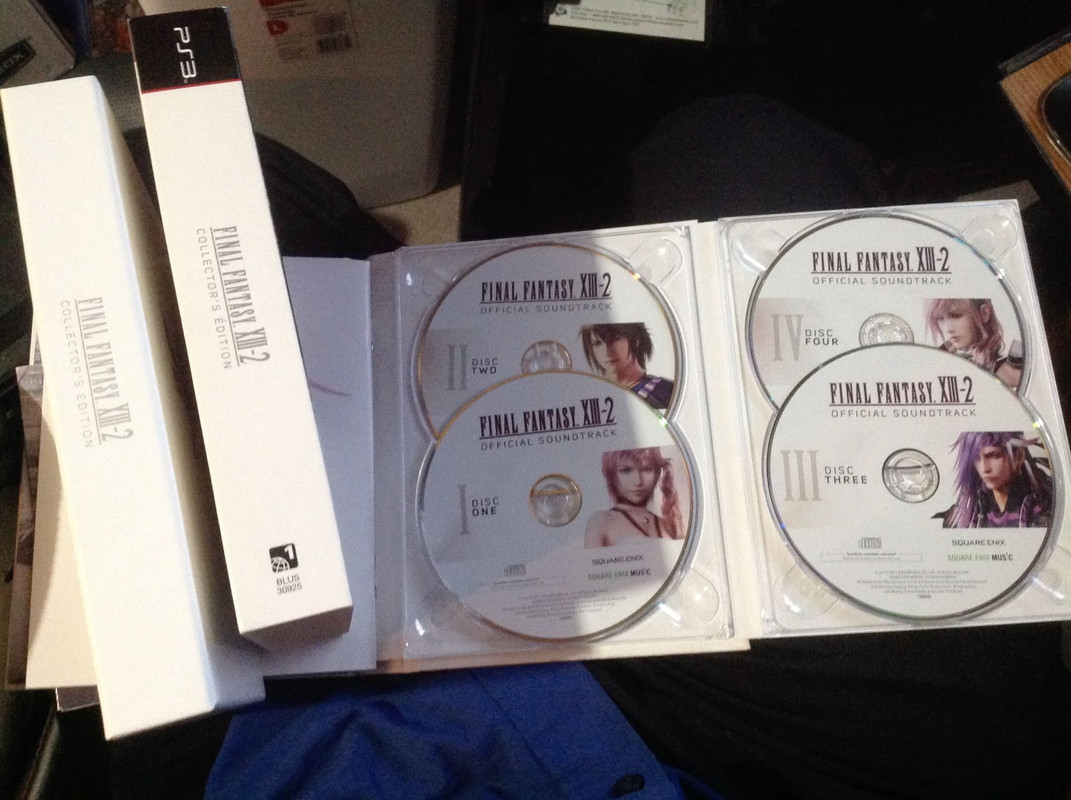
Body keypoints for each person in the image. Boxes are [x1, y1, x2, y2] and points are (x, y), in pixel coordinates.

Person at [940, 430, 1053, 528]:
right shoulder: (963, 515)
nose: (984, 468)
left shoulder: (1048, 507)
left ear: (1018, 456)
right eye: (976, 458)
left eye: (993, 456)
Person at [584, 447, 685, 547]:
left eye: (647, 469)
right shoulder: (601, 522)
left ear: (657, 473)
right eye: (626, 470)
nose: (638, 481)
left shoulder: (665, 523)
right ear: (612, 475)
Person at [924, 297, 1023, 389]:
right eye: (940, 318)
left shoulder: (1008, 368)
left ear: (984, 313)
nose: (948, 328)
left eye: (956, 315)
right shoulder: (940, 360)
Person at [579, 322, 675, 409]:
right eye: (597, 343)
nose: (607, 351)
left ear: (636, 339)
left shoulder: (667, 392)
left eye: (615, 339)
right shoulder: (588, 395)